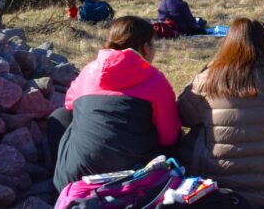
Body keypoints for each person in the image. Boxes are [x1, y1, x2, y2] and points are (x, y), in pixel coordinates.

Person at [177, 18, 264, 206]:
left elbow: (183, 117)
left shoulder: (208, 79)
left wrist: (204, 70)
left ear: (227, 43)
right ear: (263, 43)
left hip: (216, 183)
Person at [51, 16, 180, 191]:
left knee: (60, 116)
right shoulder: (155, 80)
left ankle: (54, 184)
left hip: (73, 180)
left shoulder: (89, 71)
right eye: (153, 44)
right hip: (132, 181)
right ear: (145, 47)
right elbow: (168, 137)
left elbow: (69, 105)